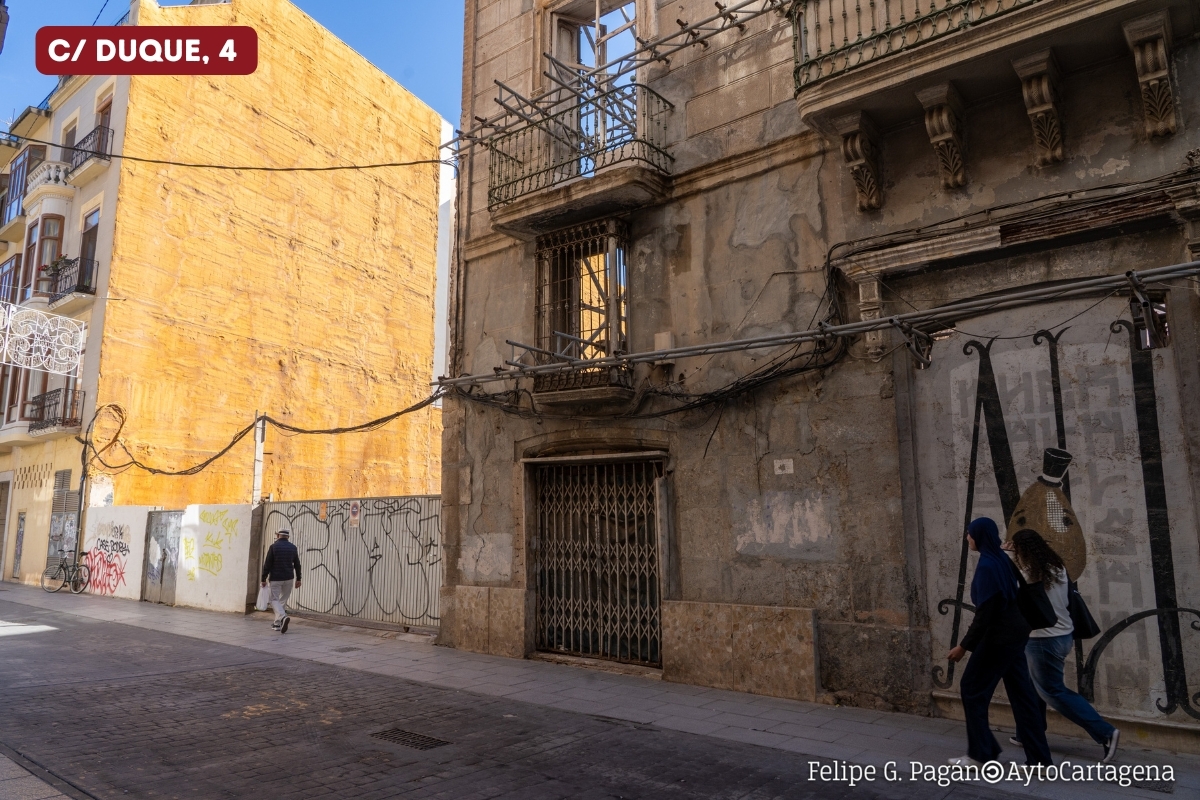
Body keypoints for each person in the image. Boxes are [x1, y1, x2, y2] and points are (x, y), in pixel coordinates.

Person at [1006, 529, 1120, 763]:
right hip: (1063, 635)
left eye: (1016, 549)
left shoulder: (1026, 573)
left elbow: (1010, 586)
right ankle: (1026, 733)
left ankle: (1105, 733)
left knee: (1053, 691)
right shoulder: (1056, 568)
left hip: (1042, 640)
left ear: (1021, 550)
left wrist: (1003, 554)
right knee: (1032, 685)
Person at [946, 518, 1053, 767]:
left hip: (998, 639)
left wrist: (963, 646)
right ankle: (1040, 761)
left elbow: (986, 613)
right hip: (1016, 635)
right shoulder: (1002, 560)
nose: (967, 537)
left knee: (972, 689)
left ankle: (980, 753)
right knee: (1023, 697)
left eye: (970, 534)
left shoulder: (988, 566)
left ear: (979, 537)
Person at [261, 529, 302, 633]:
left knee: (274, 600)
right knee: (283, 600)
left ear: (278, 535)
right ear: (287, 537)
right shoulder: (293, 548)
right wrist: (299, 579)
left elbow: (267, 564)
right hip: (289, 578)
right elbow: (297, 564)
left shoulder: (273, 547)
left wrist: (263, 578)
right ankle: (277, 624)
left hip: (276, 578)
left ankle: (283, 616)